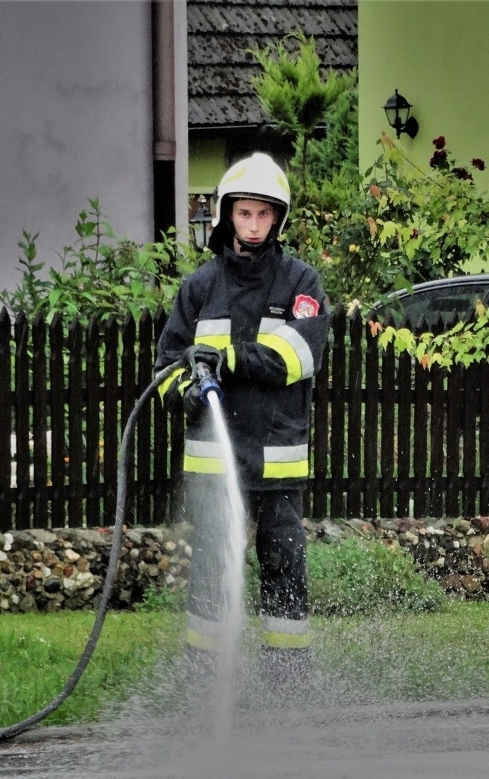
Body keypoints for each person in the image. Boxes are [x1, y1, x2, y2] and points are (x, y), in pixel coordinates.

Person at [154, 153, 329, 690]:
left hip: (277, 461)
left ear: (279, 219)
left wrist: (226, 357)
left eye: (263, 215)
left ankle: (287, 677)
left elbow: (297, 356)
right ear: (227, 214)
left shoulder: (302, 284)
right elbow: (166, 368)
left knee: (284, 569)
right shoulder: (200, 287)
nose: (253, 225)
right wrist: (187, 387)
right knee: (210, 569)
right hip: (215, 461)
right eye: (244, 213)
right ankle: (204, 678)